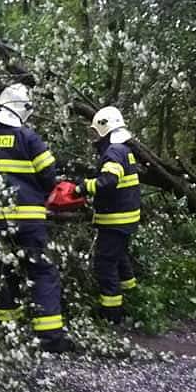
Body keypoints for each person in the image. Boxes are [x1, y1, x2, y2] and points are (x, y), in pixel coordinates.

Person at [0, 83, 73, 353]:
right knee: (41, 272)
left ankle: (7, 330)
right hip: (29, 219)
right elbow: (49, 172)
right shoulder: (28, 137)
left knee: (5, 272)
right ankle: (50, 338)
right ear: (23, 109)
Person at [74, 106, 140, 324]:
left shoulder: (113, 152)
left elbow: (108, 182)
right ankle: (132, 296)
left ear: (105, 129)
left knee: (105, 263)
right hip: (126, 218)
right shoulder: (124, 150)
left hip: (115, 220)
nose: (94, 138)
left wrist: (83, 188)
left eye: (95, 132)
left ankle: (111, 313)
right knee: (120, 258)